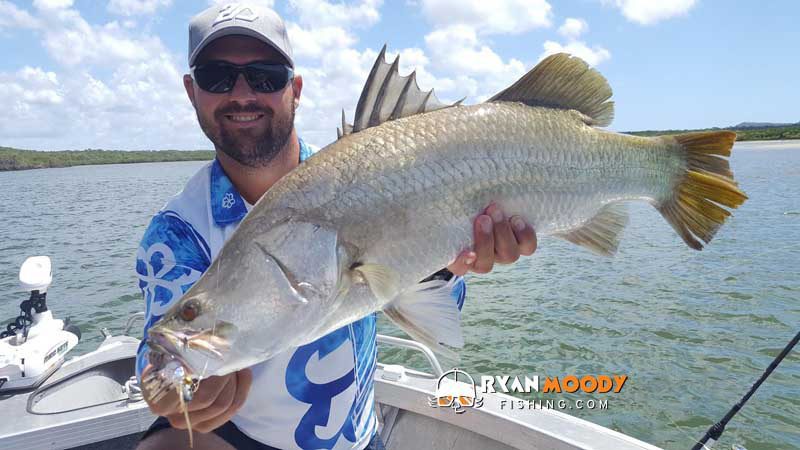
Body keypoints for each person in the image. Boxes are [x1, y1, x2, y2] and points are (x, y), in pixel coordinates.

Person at [135, 3, 537, 450]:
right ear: (192, 91)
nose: (242, 93)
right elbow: (160, 352)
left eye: (266, 76)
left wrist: (450, 268)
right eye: (217, 76)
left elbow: (430, 298)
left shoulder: (368, 173)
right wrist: (174, 392)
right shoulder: (177, 231)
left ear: (296, 89)